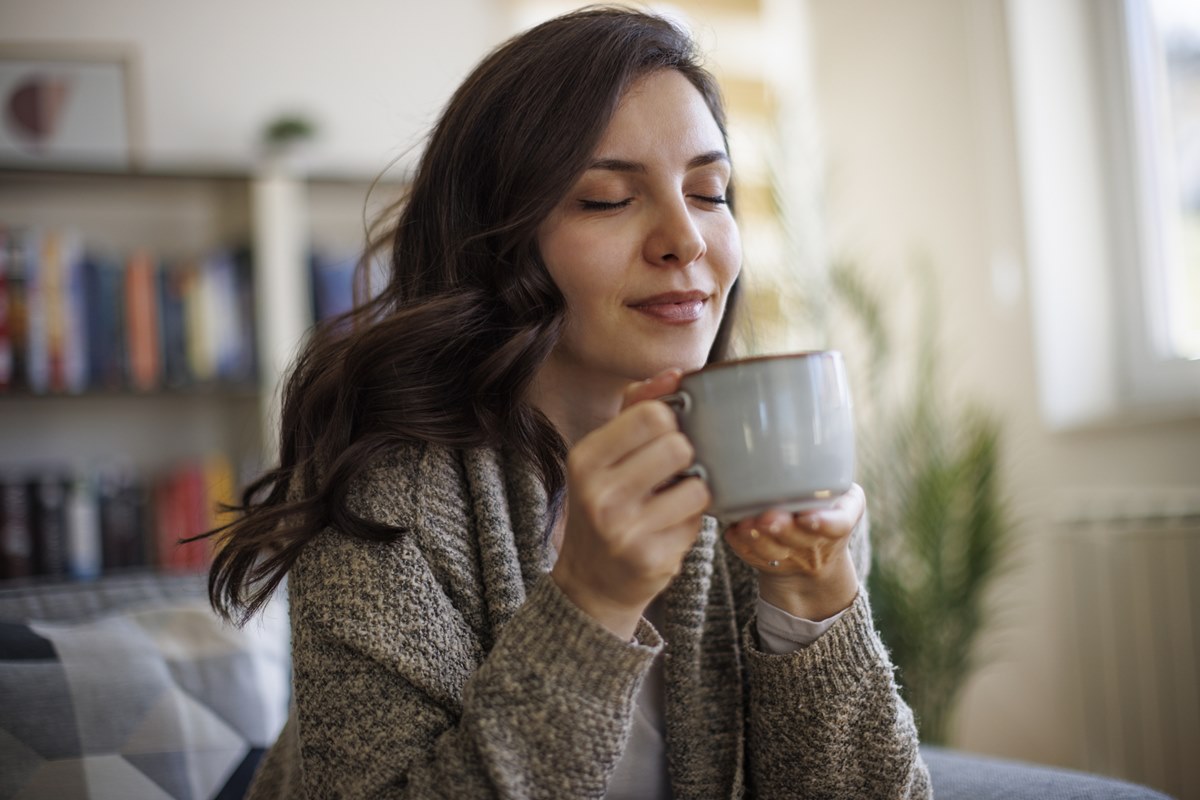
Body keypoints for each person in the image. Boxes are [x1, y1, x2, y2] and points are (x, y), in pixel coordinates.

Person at [204, 6, 931, 799]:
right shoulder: (386, 496)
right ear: (499, 243)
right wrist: (592, 601)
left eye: (709, 190)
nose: (684, 239)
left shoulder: (766, 473)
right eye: (608, 199)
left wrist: (814, 599)